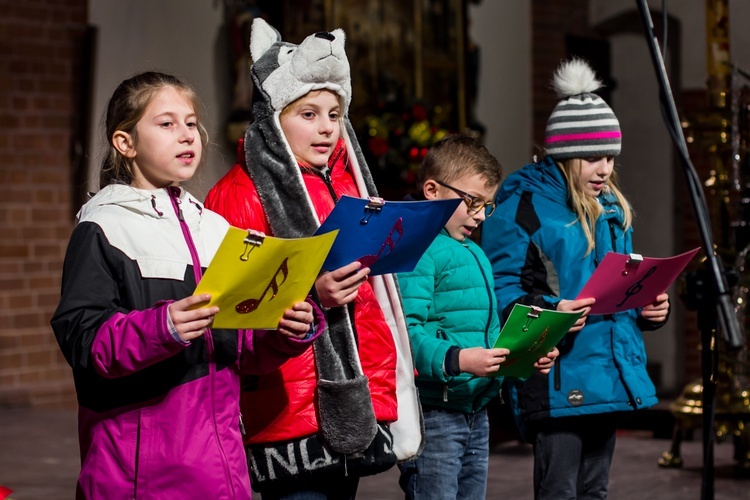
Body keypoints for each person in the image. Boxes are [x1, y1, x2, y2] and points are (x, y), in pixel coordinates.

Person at [50, 71, 324, 500]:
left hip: (221, 468)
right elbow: (84, 339)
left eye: (191, 123)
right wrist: (164, 328)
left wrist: (284, 332)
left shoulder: (214, 228)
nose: (186, 135)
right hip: (141, 475)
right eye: (166, 124)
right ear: (126, 143)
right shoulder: (104, 226)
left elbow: (240, 349)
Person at [204, 19, 422, 499]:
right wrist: (313, 293)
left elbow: (372, 304)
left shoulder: (349, 185)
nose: (326, 127)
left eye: (333, 113)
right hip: (289, 403)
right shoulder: (239, 194)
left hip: (353, 396)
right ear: (274, 116)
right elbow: (231, 309)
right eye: (308, 114)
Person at [480, 58, 671, 499]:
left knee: (594, 490)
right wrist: (552, 312)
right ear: (563, 156)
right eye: (592, 158)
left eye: (609, 158)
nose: (604, 169)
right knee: (559, 491)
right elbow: (502, 290)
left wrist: (647, 309)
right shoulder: (523, 210)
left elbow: (618, 283)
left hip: (606, 370)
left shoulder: (611, 211)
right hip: (556, 374)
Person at [395, 134, 559, 499]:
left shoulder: (473, 251)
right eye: (472, 201)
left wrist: (526, 353)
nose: (481, 215)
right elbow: (406, 333)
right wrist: (458, 360)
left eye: (488, 205)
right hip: (435, 414)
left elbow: (486, 330)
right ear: (432, 189)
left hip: (475, 410)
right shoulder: (418, 251)